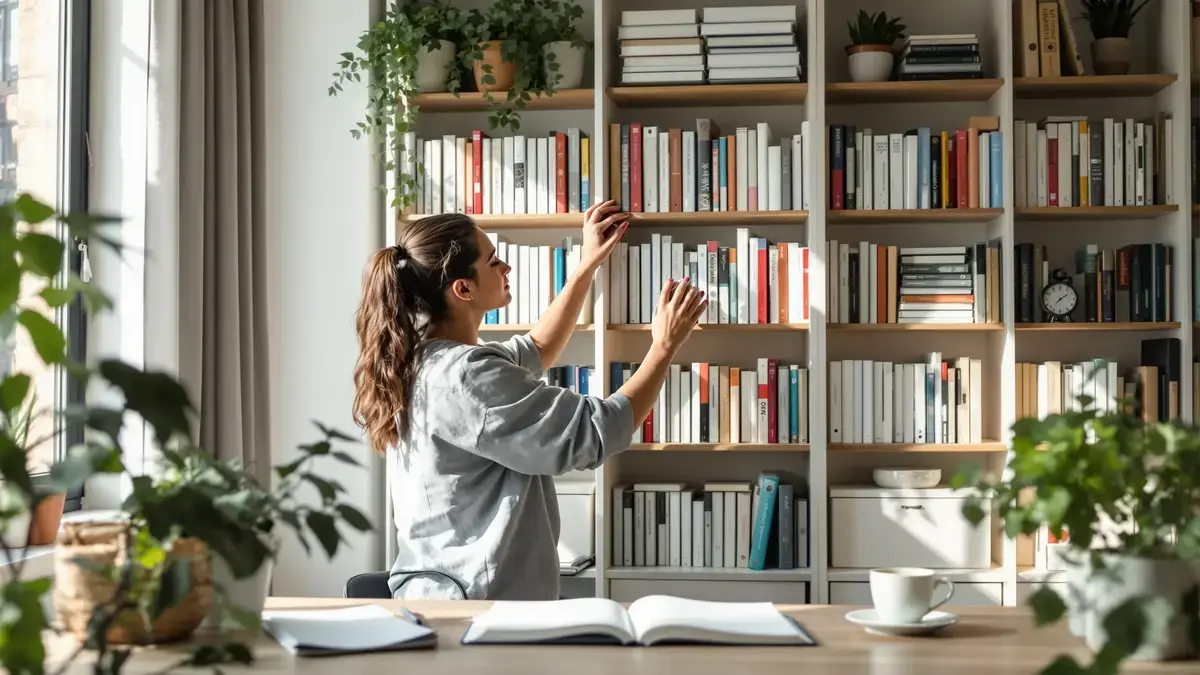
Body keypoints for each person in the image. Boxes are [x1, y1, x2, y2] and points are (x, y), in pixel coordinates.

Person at [352, 201, 707, 601]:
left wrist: (586, 264)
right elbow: (595, 433)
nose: (506, 268)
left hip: (439, 593)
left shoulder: (424, 358)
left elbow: (538, 347)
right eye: (494, 261)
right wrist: (663, 346)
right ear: (462, 289)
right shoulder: (468, 375)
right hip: (476, 605)